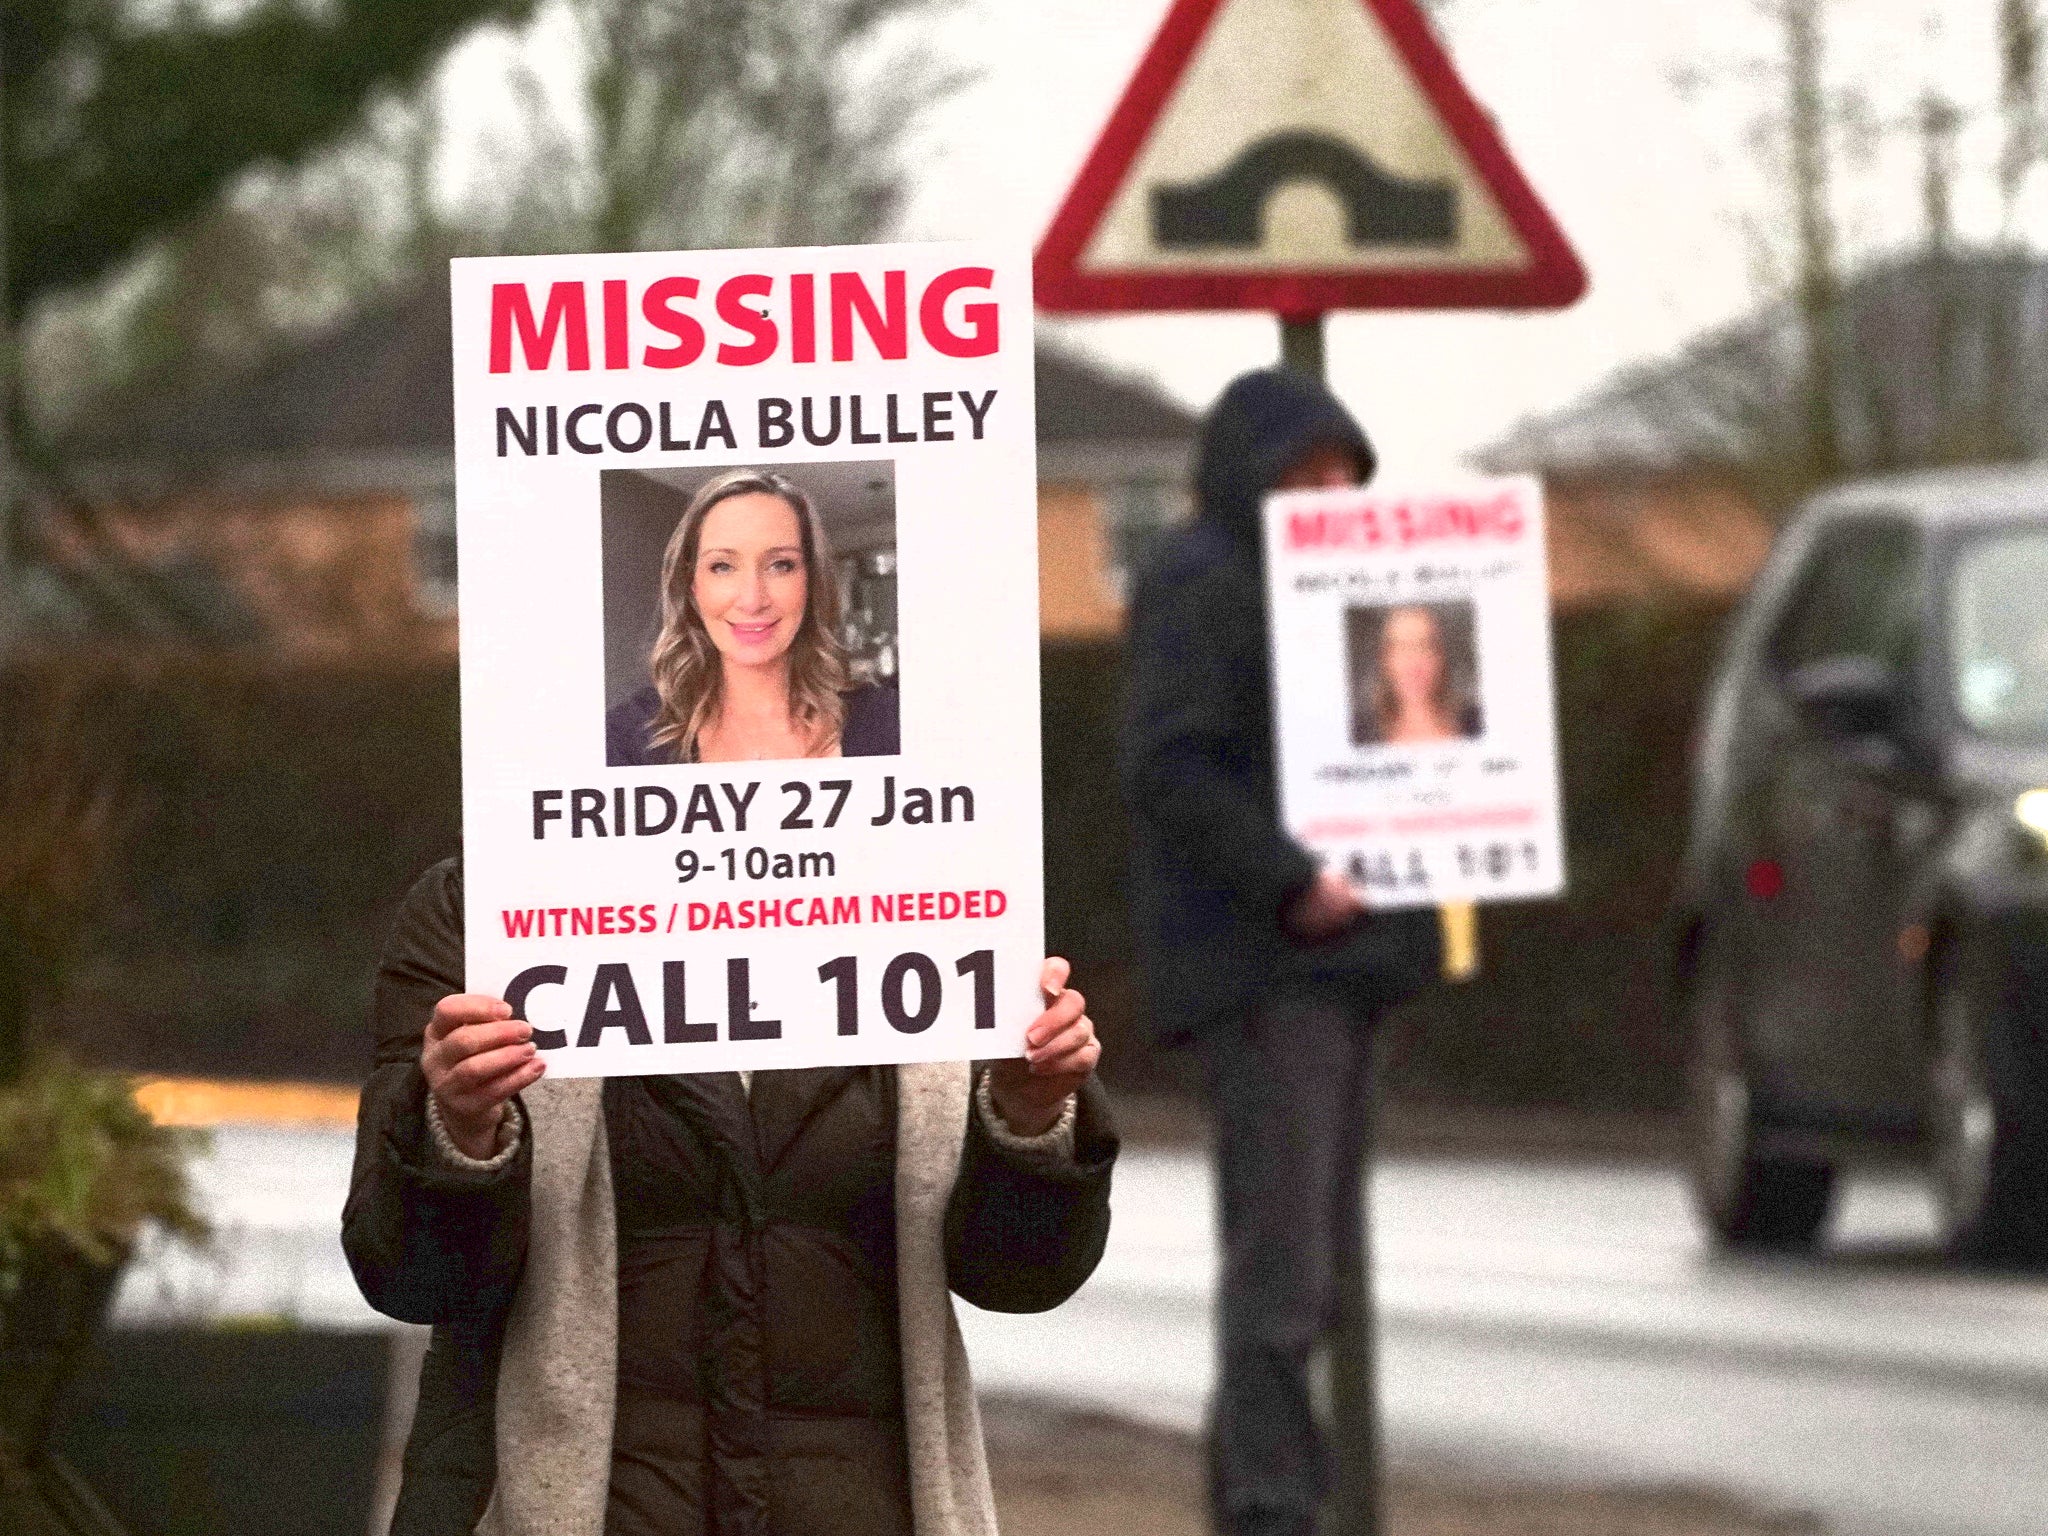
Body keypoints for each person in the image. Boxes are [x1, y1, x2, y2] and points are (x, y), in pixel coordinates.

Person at [342, 857, 1115, 1536]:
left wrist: (1030, 1117)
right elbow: (412, 1274)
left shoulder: (946, 906)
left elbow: (1020, 1276)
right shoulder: (484, 914)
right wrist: (461, 1129)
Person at [1121, 367, 1441, 1536]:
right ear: (1248, 477)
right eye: (1302, 475)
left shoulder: (1335, 580)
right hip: (1267, 970)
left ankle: (1266, 1500)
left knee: (1302, 1266)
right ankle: (1268, 1508)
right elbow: (1168, 767)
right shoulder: (1203, 582)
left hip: (1339, 961)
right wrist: (1287, 881)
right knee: (1285, 1271)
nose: (1326, 496)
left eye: (1340, 475)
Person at [607, 469, 899, 766]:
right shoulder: (625, 741)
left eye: (781, 565)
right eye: (722, 566)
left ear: (810, 581)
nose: (752, 600)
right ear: (693, 586)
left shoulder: (891, 721)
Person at [1353, 604, 1483, 746]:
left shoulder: (1476, 722)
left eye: (1424, 646)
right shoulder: (1360, 733)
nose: (1413, 663)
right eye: (1401, 648)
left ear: (1441, 657)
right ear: (1385, 660)